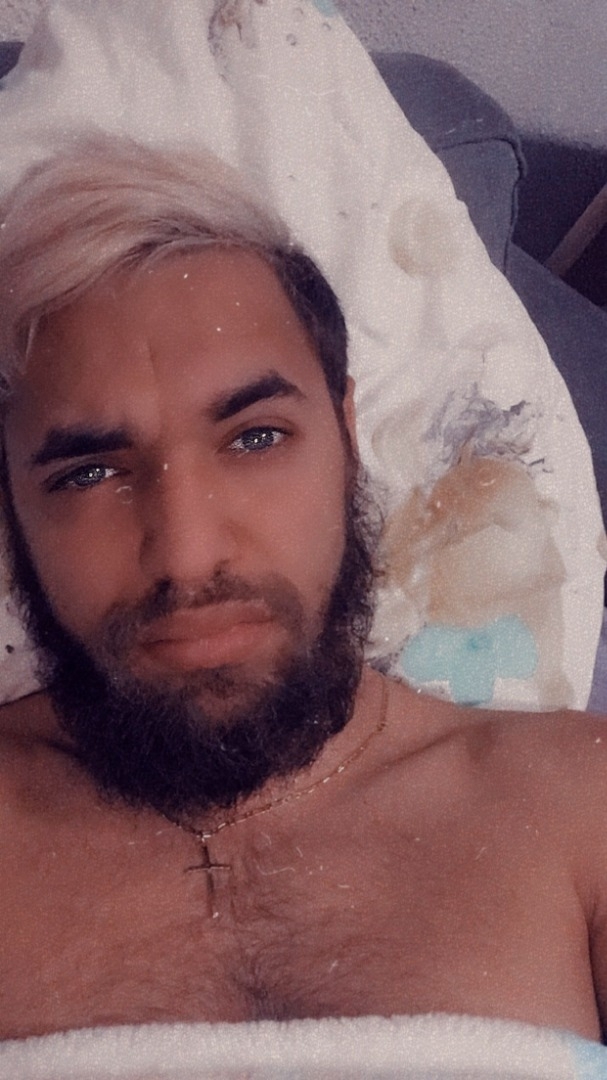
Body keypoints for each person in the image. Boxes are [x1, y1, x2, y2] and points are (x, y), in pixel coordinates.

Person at [0, 132, 606, 1046]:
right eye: (88, 473)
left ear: (347, 439)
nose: (188, 556)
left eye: (255, 437)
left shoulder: (578, 805)